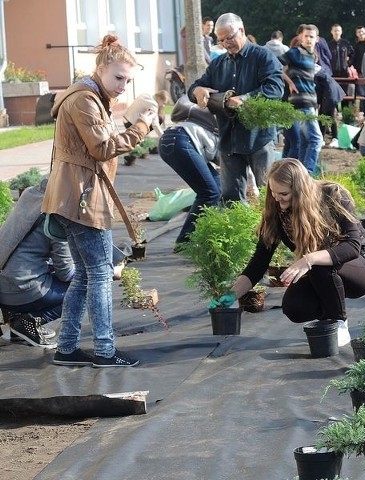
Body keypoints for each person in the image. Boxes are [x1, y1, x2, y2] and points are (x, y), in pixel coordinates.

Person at [41, 34, 155, 367]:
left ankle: (66, 348)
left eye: (128, 80)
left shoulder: (91, 96)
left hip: (75, 196)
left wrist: (131, 124)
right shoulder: (85, 100)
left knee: (85, 275)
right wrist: (143, 126)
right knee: (101, 273)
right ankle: (105, 351)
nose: (123, 85)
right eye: (118, 77)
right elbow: (103, 148)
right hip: (81, 199)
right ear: (101, 68)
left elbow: (98, 144)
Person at [229, 158, 365, 346]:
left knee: (319, 263)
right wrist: (231, 295)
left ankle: (339, 322)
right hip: (322, 271)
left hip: (361, 265)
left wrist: (309, 259)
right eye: (273, 193)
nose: (277, 198)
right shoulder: (277, 211)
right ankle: (328, 314)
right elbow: (260, 260)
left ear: (300, 189)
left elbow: (352, 246)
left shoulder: (333, 195)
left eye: (283, 193)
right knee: (295, 307)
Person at [189, 13, 285, 203]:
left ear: (241, 30)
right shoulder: (217, 64)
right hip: (229, 139)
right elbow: (194, 87)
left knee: (271, 195)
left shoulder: (263, 56)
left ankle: (273, 232)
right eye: (221, 40)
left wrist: (246, 99)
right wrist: (197, 91)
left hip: (259, 137)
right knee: (231, 199)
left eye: (229, 38)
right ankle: (238, 231)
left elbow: (275, 88)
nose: (225, 44)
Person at [0, 179, 73, 349]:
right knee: (87, 285)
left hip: (3, 283)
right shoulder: (59, 213)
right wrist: (106, 271)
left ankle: (15, 326)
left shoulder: (30, 194)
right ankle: (30, 321)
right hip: (21, 288)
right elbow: (66, 272)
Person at [159, 96, 221, 248]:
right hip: (182, 141)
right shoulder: (223, 139)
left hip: (169, 139)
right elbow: (225, 163)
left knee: (217, 187)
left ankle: (206, 234)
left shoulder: (207, 126)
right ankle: (184, 241)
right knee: (210, 192)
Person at [279, 24, 324, 174]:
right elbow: (275, 66)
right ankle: (308, 173)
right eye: (306, 36)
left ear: (317, 39)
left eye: (312, 37)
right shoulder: (295, 52)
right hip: (301, 102)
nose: (309, 39)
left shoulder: (312, 56)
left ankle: (300, 174)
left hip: (310, 101)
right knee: (316, 139)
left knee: (305, 141)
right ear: (300, 37)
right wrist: (290, 82)